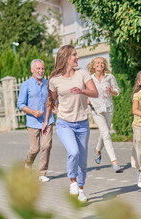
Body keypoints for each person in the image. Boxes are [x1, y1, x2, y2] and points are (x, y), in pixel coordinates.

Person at [42, 45, 98, 202]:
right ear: (66, 58)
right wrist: (48, 118)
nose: (77, 57)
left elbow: (95, 92)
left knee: (82, 159)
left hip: (82, 124)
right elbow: (50, 100)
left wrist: (82, 91)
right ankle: (72, 181)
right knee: (73, 152)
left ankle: (81, 189)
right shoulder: (54, 80)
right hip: (64, 123)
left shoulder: (82, 74)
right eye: (74, 55)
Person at [17, 59, 55, 182]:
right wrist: (33, 112)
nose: (41, 71)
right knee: (35, 149)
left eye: (42, 68)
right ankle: (27, 164)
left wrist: (55, 109)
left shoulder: (47, 83)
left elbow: (52, 100)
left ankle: (42, 173)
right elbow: (20, 104)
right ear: (32, 70)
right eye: (38, 68)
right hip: (33, 122)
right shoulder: (26, 85)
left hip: (47, 120)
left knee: (47, 146)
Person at [87, 57, 123, 172]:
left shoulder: (110, 77)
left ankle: (98, 150)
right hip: (96, 109)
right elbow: (85, 92)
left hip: (108, 108)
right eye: (97, 63)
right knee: (106, 134)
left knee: (104, 133)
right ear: (93, 65)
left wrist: (111, 91)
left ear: (105, 65)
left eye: (102, 63)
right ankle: (114, 162)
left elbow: (117, 91)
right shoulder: (89, 79)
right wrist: (87, 99)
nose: (100, 65)